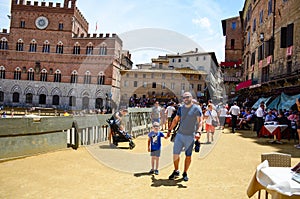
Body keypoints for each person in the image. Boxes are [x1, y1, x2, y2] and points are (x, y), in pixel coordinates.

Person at [167, 92, 203, 181]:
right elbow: (175, 120)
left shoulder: (196, 109)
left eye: (187, 97)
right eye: (184, 97)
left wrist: (198, 132)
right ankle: (176, 170)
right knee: (175, 154)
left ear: (191, 98)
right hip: (180, 135)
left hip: (190, 136)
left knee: (188, 156)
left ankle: (185, 172)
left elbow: (200, 122)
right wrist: (169, 130)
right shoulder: (181, 108)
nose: (185, 99)